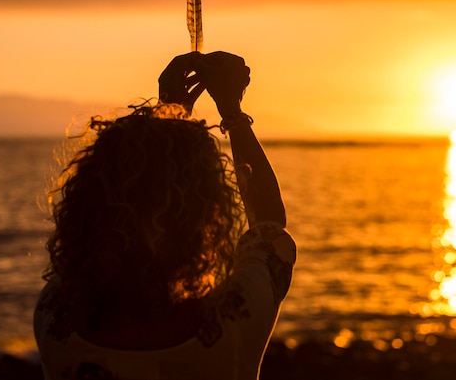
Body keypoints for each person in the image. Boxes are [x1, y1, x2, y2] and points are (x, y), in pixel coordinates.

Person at [33, 51, 296, 380]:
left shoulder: (56, 319)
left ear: (86, 208)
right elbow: (268, 226)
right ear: (207, 214)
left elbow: (134, 199)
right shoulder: (235, 322)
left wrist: (170, 116)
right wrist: (231, 111)